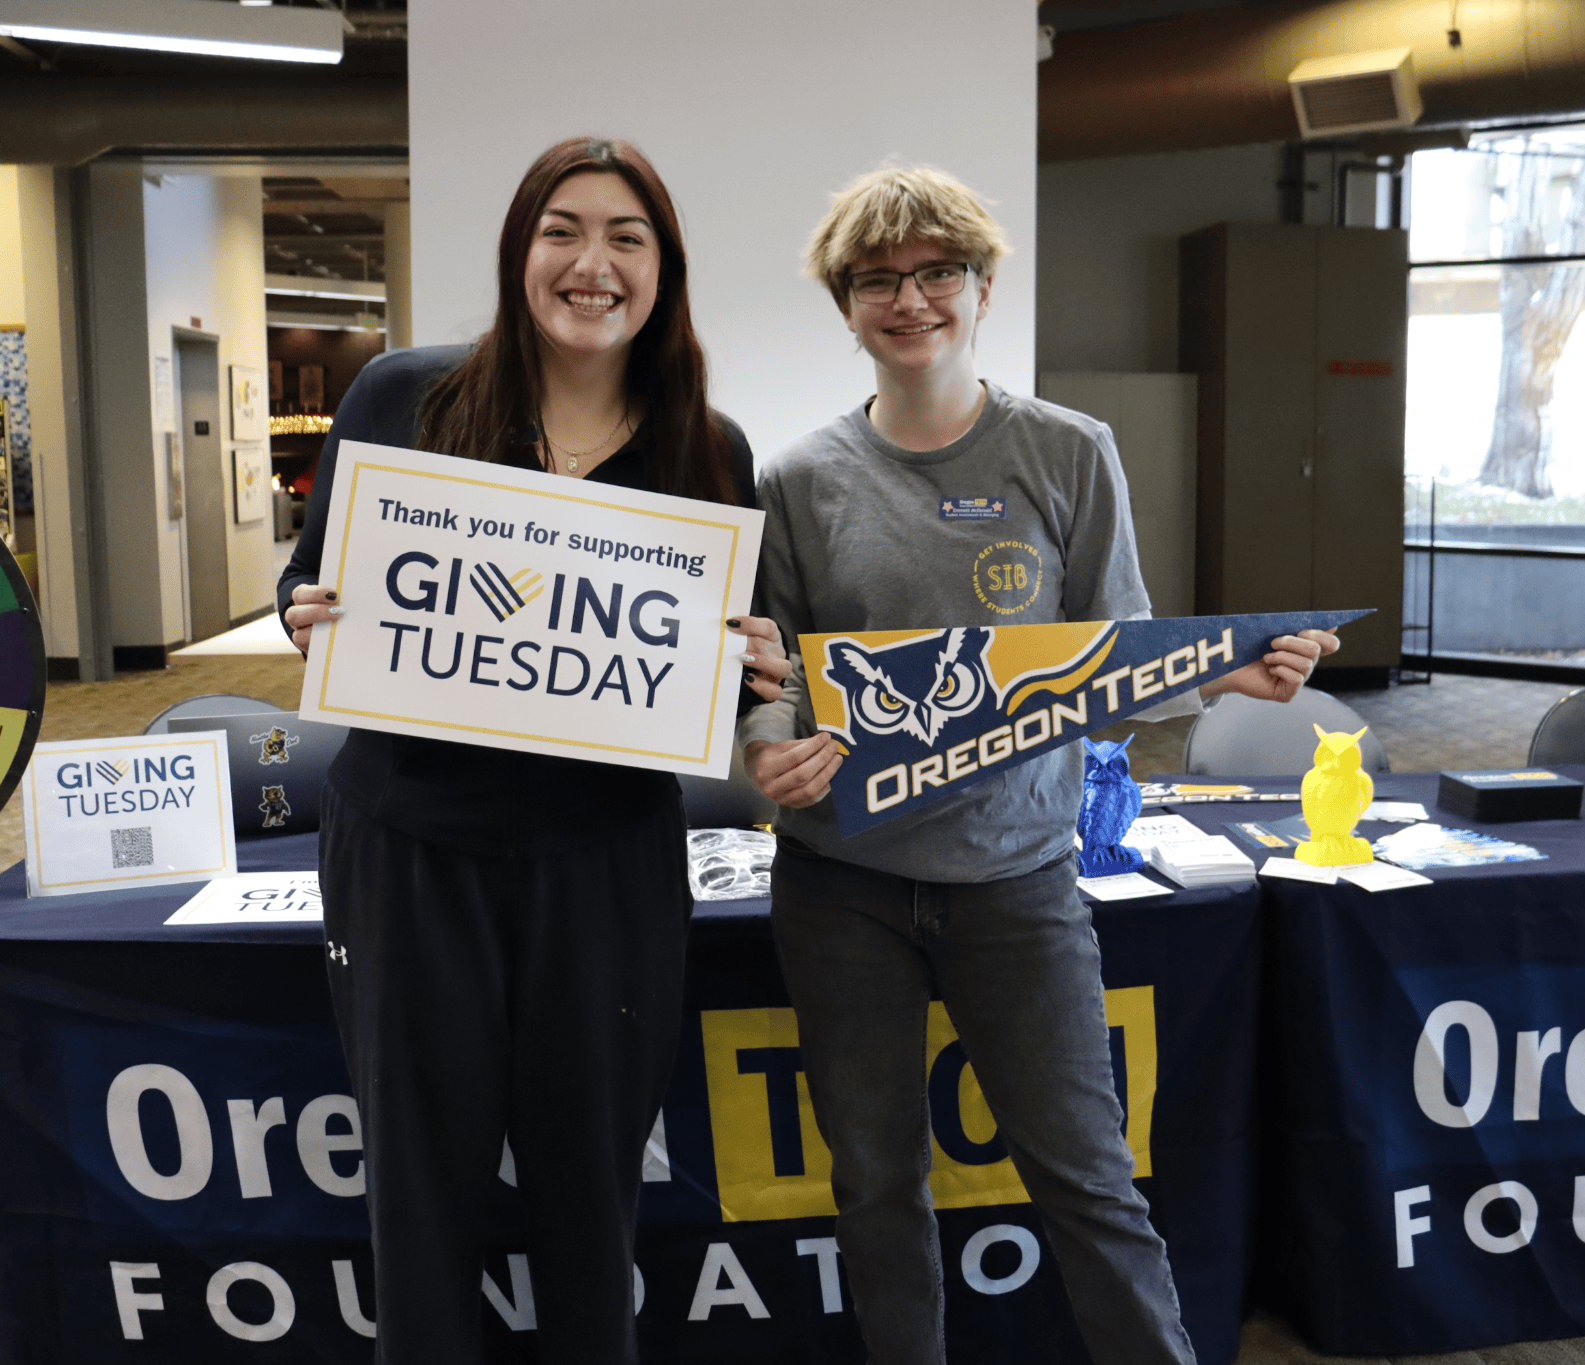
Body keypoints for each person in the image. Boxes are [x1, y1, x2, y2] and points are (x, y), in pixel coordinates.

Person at [738, 165, 1337, 1365]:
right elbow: (773, 681)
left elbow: (1111, 653)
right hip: (838, 885)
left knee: (1088, 1182)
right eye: (877, 280)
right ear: (844, 306)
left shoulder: (1068, 454)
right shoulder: (794, 481)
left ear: (982, 286)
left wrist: (1222, 672)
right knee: (873, 1187)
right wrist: (768, 756)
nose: (910, 300)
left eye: (936, 272)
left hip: (1014, 880)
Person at [276, 136, 790, 1363]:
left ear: (662, 270)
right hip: (410, 849)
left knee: (590, 1190)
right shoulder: (402, 397)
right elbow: (312, 592)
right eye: (561, 230)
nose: (590, 263)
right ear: (520, 254)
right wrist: (312, 616)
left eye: (626, 237)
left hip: (600, 865)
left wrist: (750, 669)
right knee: (419, 1189)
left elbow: (706, 693)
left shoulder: (706, 450)